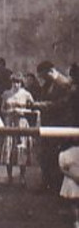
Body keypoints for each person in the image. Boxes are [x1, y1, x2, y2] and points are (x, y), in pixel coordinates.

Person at [34, 61, 74, 193]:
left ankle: (56, 185)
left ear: (50, 71)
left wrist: (40, 105)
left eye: (43, 76)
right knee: (45, 155)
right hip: (48, 125)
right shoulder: (48, 83)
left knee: (56, 156)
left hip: (59, 125)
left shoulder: (63, 84)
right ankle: (47, 183)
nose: (42, 79)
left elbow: (61, 105)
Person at [0, 72, 36, 185]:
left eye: (19, 82)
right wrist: (10, 111)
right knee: (9, 149)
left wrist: (23, 111)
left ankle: (22, 176)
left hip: (21, 123)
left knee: (21, 149)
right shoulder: (6, 94)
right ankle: (9, 176)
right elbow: (2, 110)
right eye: (14, 82)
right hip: (10, 123)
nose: (16, 85)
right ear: (11, 82)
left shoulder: (26, 94)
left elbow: (33, 109)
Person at [58, 145, 79, 228]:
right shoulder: (66, 154)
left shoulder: (65, 154)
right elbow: (62, 169)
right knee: (74, 203)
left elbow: (62, 169)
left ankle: (77, 224)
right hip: (72, 179)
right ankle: (77, 225)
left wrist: (73, 176)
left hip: (72, 178)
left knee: (74, 204)